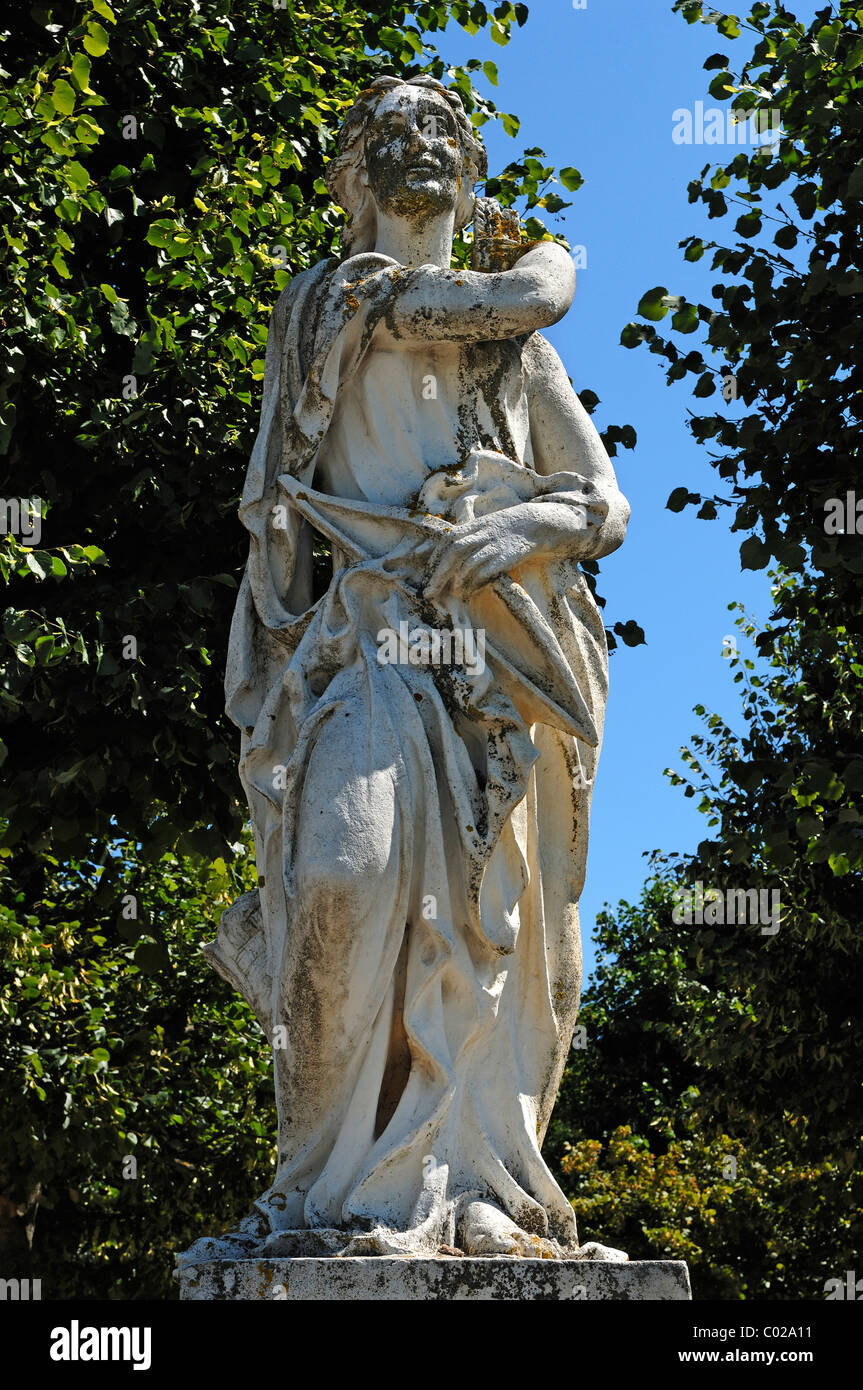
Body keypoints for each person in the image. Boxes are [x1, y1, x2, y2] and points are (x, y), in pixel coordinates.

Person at [189, 74, 630, 1263]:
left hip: (490, 668)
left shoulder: (514, 365)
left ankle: (460, 1176)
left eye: (440, 126)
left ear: (467, 166)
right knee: (342, 875)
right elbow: (517, 292)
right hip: (370, 651)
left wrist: (522, 529)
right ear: (349, 176)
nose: (416, 141)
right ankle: (322, 1189)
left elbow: (602, 502)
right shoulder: (335, 303)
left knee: (489, 938)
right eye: (386, 128)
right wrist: (547, 275)